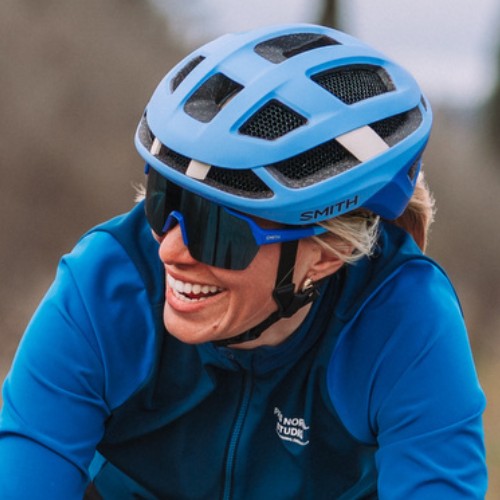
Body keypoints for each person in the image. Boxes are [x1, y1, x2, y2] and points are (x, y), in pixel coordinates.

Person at [0, 23, 487, 499]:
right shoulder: (106, 288)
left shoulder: (402, 323)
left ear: (326, 255)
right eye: (165, 201)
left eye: (217, 231)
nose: (170, 250)